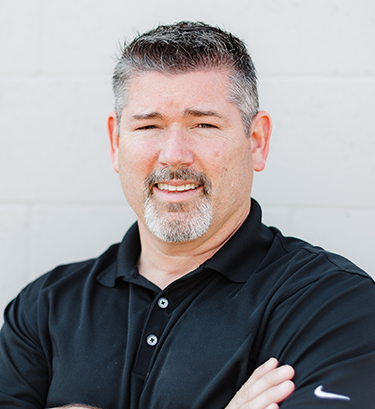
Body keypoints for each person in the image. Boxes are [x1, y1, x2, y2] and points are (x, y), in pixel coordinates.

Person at [0, 21, 374, 409]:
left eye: (203, 124)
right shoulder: (45, 307)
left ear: (257, 142)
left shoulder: (332, 305)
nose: (174, 154)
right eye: (149, 125)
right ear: (116, 143)